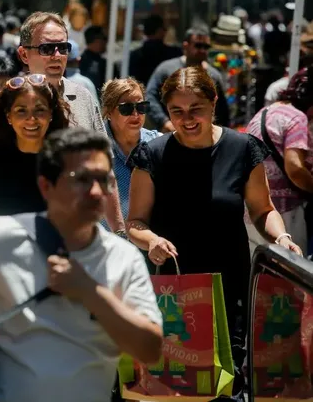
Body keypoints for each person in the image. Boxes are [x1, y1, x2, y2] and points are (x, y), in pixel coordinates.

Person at [0, 127, 163, 402]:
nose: (96, 191)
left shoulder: (123, 257)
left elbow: (151, 349)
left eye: (103, 180)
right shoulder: (6, 235)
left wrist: (90, 292)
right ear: (46, 186)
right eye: (82, 179)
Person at [127, 66, 302, 399]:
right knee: (176, 388)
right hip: (172, 292)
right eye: (176, 112)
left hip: (229, 289)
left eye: (196, 109)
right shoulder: (153, 155)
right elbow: (135, 222)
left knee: (228, 383)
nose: (187, 119)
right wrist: (152, 240)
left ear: (214, 102)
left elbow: (263, 210)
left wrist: (281, 238)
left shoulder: (242, 149)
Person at [17, 11, 125, 233]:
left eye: (63, 48)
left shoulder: (83, 96)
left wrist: (119, 231)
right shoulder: (7, 104)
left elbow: (105, 170)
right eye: (47, 49)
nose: (56, 55)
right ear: (24, 55)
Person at [0, 73, 70, 230]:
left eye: (39, 110)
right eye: (21, 110)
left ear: (51, 114)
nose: (31, 118)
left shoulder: (68, 162)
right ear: (8, 116)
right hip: (1, 253)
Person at [246, 66, 313, 255]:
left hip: (254, 211)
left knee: (258, 276)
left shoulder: (265, 112)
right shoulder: (297, 118)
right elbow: (295, 168)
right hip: (284, 213)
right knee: (290, 277)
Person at [146, 26, 230, 132]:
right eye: (198, 46)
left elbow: (222, 112)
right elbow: (150, 96)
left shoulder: (214, 75)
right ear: (186, 46)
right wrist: (164, 121)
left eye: (206, 47)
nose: (203, 50)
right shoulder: (166, 69)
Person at [100, 78, 160, 225]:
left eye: (141, 107)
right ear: (109, 111)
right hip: (106, 242)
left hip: (148, 242)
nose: (135, 115)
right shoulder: (94, 149)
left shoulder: (158, 144)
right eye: (126, 109)